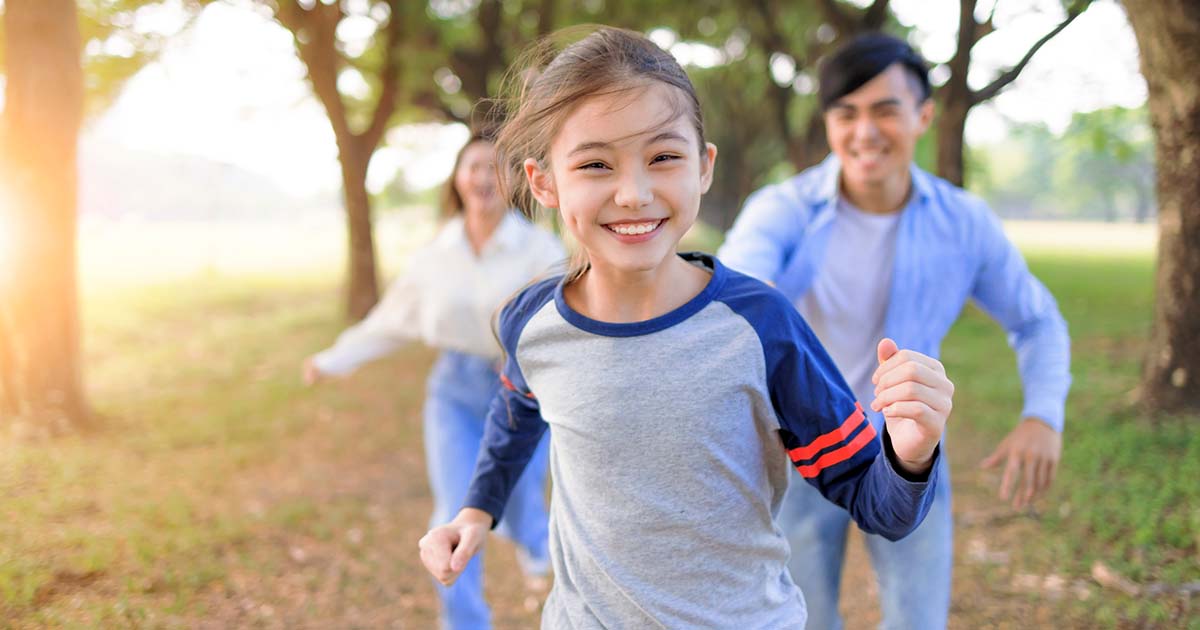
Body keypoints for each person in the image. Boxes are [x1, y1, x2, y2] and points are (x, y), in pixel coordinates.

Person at [417, 27, 957, 628]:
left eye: (663, 157)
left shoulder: (761, 327)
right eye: (595, 163)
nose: (634, 192)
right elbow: (515, 413)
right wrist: (476, 511)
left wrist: (909, 454)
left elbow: (873, 499)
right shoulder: (533, 322)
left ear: (703, 166)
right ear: (544, 182)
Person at [717, 33, 1072, 630]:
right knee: (797, 619)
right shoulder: (784, 209)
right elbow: (738, 295)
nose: (865, 132)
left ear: (923, 116)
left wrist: (1043, 414)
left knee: (919, 620)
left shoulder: (962, 222)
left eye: (885, 110)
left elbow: (1036, 319)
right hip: (802, 447)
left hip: (911, 448)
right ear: (828, 122)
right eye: (846, 113)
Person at [303, 133, 564, 630]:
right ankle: (465, 621)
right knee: (453, 510)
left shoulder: (538, 249)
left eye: (494, 168)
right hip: (453, 391)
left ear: (513, 180)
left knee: (520, 497)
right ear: (458, 178)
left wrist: (519, 352)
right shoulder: (436, 254)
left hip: (520, 392)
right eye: (474, 167)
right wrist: (335, 359)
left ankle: (536, 546)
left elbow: (562, 317)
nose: (484, 178)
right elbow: (392, 318)